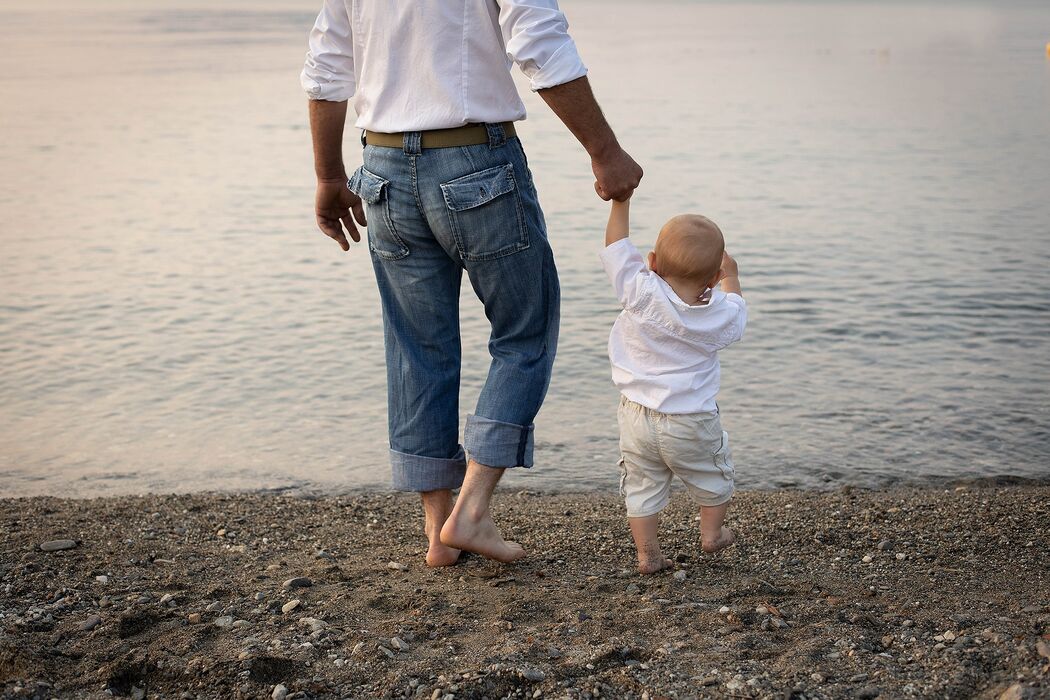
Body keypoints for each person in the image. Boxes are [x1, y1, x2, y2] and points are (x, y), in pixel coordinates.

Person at [301, 0, 642, 565]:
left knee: (417, 347)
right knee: (524, 332)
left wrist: (329, 175)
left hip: (381, 169)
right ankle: (473, 511)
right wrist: (604, 151)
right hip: (475, 162)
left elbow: (326, 67)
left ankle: (439, 530)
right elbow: (538, 43)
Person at [600, 198, 746, 574]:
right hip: (691, 419)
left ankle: (648, 555)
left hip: (636, 416)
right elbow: (737, 311)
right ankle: (711, 534)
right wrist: (730, 277)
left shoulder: (640, 292)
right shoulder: (718, 315)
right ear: (712, 279)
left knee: (642, 484)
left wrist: (621, 201)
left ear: (651, 262)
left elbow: (616, 245)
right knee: (713, 474)